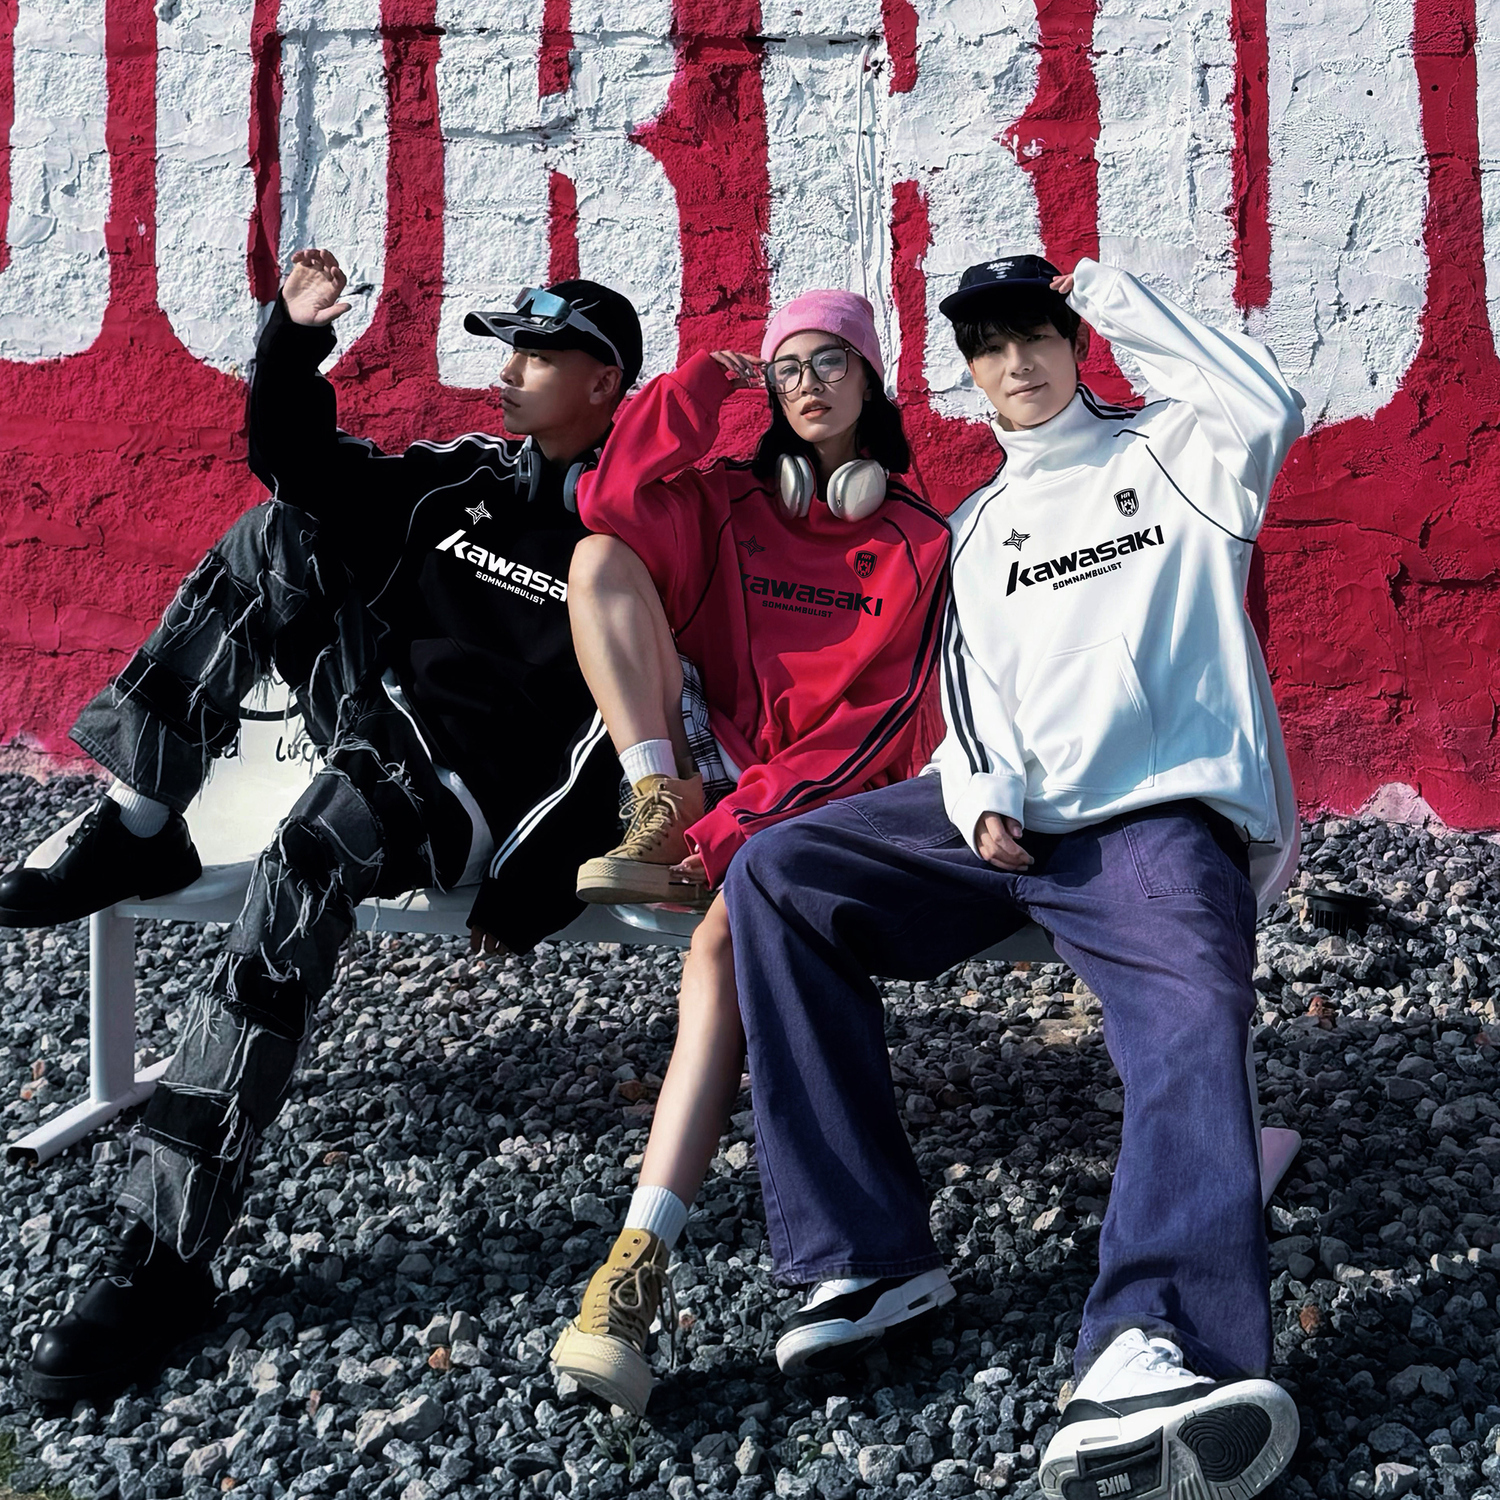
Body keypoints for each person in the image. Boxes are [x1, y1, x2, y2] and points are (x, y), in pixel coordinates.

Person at [1, 249, 644, 1398]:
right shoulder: (462, 477)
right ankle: (141, 816)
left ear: (603, 383)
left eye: (535, 356)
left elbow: (626, 722)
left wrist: (540, 867)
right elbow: (299, 463)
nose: (506, 373)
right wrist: (294, 343)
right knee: (281, 529)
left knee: (304, 855)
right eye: (507, 351)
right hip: (369, 718)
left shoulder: (635, 532)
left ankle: (165, 1253)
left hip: (459, 787)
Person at [723, 256, 1305, 1500]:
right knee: (779, 872)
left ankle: (1157, 1347)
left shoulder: (1183, 455)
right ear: (970, 374)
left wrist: (1114, 292)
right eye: (988, 348)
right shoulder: (982, 523)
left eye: (1035, 335)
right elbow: (971, 695)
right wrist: (981, 796)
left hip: (1149, 815)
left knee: (1193, 1005)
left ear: (1074, 342)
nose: (1015, 363)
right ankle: (869, 1255)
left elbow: (1266, 401)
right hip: (1003, 822)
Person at [547, 290, 951, 1414]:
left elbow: (872, 730)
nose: (808, 384)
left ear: (872, 379)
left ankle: (633, 1268)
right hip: (707, 778)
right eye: (787, 369)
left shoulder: (920, 541)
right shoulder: (729, 500)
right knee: (598, 560)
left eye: (832, 362)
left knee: (719, 952)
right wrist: (693, 389)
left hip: (823, 802)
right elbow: (609, 499)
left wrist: (734, 831)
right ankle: (652, 796)